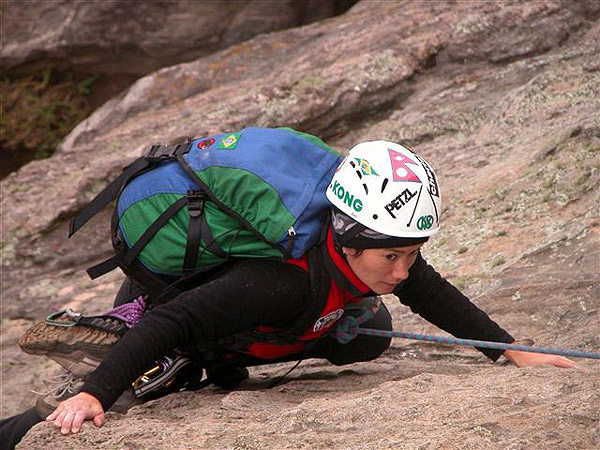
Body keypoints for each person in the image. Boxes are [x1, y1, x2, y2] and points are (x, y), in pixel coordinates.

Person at [1, 140, 579, 448]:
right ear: (348, 240)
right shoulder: (280, 285)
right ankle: (141, 347)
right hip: (187, 317)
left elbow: (432, 292)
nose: (404, 270)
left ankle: (213, 355)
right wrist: (96, 394)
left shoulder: (368, 251)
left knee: (369, 334)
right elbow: (177, 317)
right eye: (392, 257)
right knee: (153, 361)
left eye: (410, 253)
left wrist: (506, 349)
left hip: (243, 313)